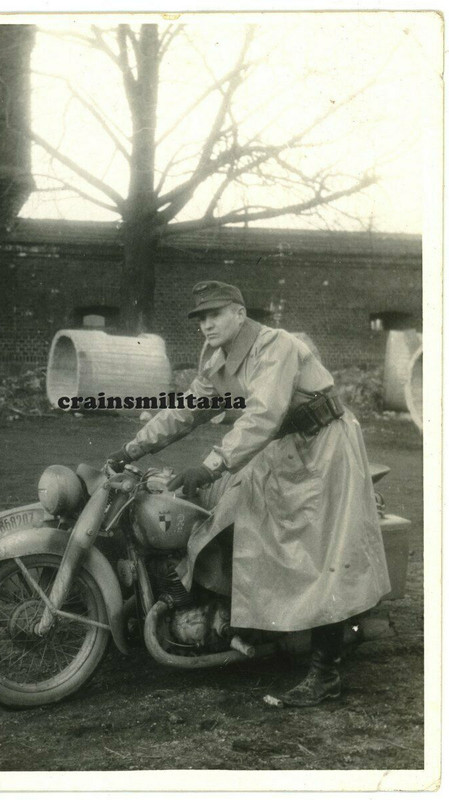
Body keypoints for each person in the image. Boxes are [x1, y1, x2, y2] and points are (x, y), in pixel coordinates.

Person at [107, 280, 391, 708]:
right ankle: (251, 627)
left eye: (215, 314)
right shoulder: (218, 359)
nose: (207, 325)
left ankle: (325, 674)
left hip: (323, 446)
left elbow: (262, 415)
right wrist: (133, 448)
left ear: (240, 314)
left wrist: (211, 464)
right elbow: (187, 410)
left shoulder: (276, 346)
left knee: (320, 554)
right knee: (241, 522)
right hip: (283, 447)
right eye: (201, 318)